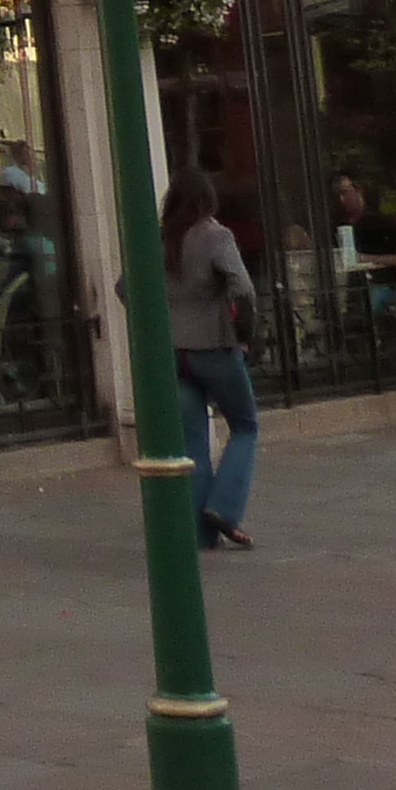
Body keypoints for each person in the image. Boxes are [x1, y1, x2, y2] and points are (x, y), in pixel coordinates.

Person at [160, 168, 259, 554]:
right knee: (246, 425)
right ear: (207, 201)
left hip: (174, 351)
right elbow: (244, 287)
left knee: (193, 441)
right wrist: (244, 333)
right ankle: (224, 507)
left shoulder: (161, 238)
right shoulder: (216, 236)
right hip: (215, 347)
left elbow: (124, 288)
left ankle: (202, 533)